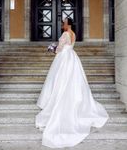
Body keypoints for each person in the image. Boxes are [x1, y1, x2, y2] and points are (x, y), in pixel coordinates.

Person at [35, 17, 109, 148]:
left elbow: (60, 48)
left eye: (64, 22)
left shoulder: (65, 33)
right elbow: (69, 46)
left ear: (67, 24)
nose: (62, 24)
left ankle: (58, 99)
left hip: (64, 58)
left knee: (60, 79)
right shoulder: (73, 33)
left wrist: (52, 49)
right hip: (72, 58)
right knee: (72, 79)